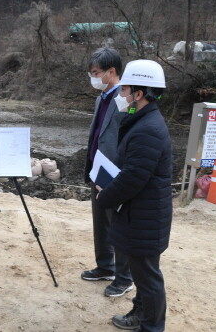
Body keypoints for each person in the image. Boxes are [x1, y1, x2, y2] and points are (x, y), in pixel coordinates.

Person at [95, 59, 172, 332]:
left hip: (144, 216)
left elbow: (133, 179)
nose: (121, 95)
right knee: (143, 276)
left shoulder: (148, 129)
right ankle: (140, 315)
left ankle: (151, 327)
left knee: (149, 279)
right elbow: (133, 170)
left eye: (125, 89)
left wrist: (104, 196)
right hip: (141, 214)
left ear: (139, 94)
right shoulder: (142, 121)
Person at [81, 47, 133, 298]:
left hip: (115, 173)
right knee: (100, 221)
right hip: (97, 170)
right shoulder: (101, 97)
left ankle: (125, 278)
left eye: (96, 73)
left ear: (111, 72)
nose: (93, 78)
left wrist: (121, 174)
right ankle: (105, 267)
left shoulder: (126, 100)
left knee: (118, 225)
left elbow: (129, 139)